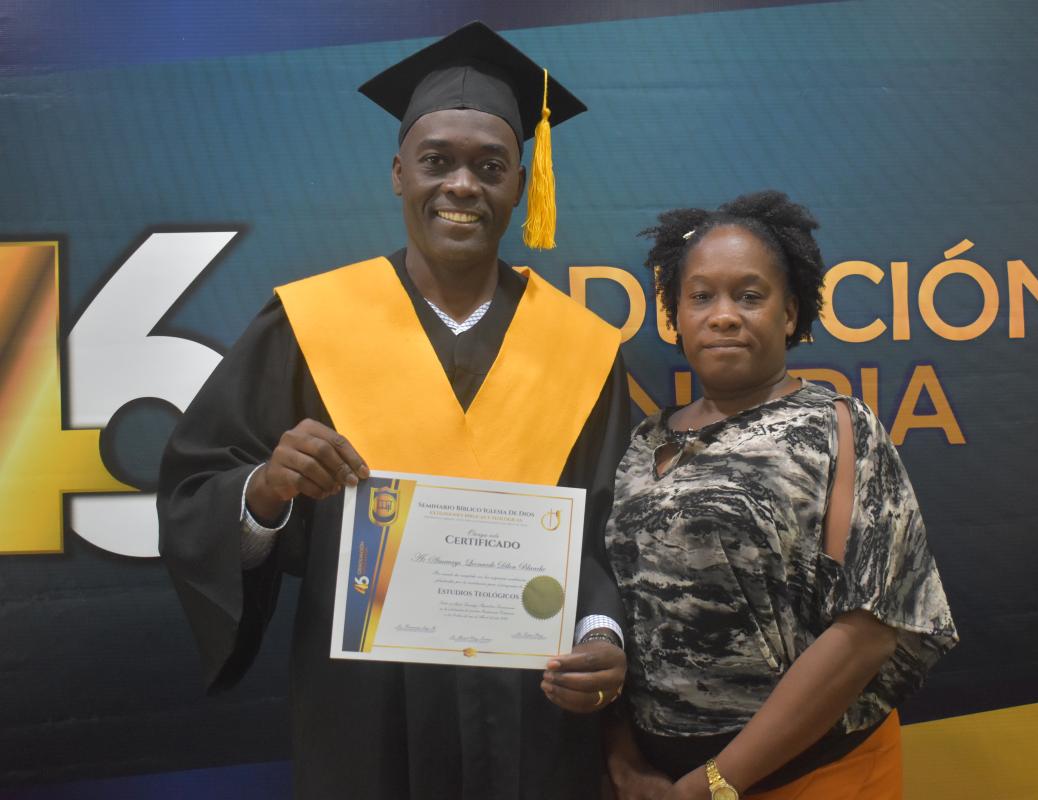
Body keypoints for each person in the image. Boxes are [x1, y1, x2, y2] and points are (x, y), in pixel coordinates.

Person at [158, 22, 630, 800]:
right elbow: (196, 489)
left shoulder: (581, 346)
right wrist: (266, 491)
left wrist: (601, 634)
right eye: (436, 162)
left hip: (535, 710)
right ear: (398, 174)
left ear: (521, 184)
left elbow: (619, 529)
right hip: (362, 714)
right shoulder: (312, 322)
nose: (462, 186)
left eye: (491, 166)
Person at [599, 191, 958, 799]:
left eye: (749, 296)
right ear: (675, 315)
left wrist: (715, 783)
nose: (723, 316)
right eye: (701, 296)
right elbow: (611, 608)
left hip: (811, 773)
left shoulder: (840, 427)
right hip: (658, 783)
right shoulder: (641, 443)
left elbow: (868, 630)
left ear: (790, 313)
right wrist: (624, 760)